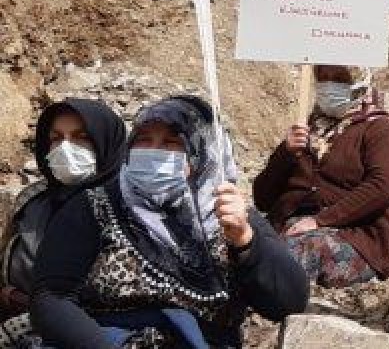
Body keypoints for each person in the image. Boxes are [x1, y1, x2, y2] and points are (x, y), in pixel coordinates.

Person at [30, 96, 309, 347]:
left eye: (172, 142)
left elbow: (288, 303)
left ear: (202, 153)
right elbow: (52, 297)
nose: (154, 151)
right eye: (144, 140)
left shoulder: (230, 215)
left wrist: (245, 242)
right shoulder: (95, 206)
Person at [253, 65, 389, 288]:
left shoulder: (381, 131)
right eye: (323, 77)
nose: (328, 85)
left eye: (338, 78)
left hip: (354, 235)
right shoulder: (308, 130)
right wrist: (285, 154)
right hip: (289, 226)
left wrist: (319, 221)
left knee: (294, 253)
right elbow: (263, 199)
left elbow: (381, 188)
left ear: (358, 82)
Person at [0, 100, 127, 333]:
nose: (65, 148)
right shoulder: (32, 201)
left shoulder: (129, 207)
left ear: (106, 141)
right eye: (56, 138)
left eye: (81, 137)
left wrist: (30, 304)